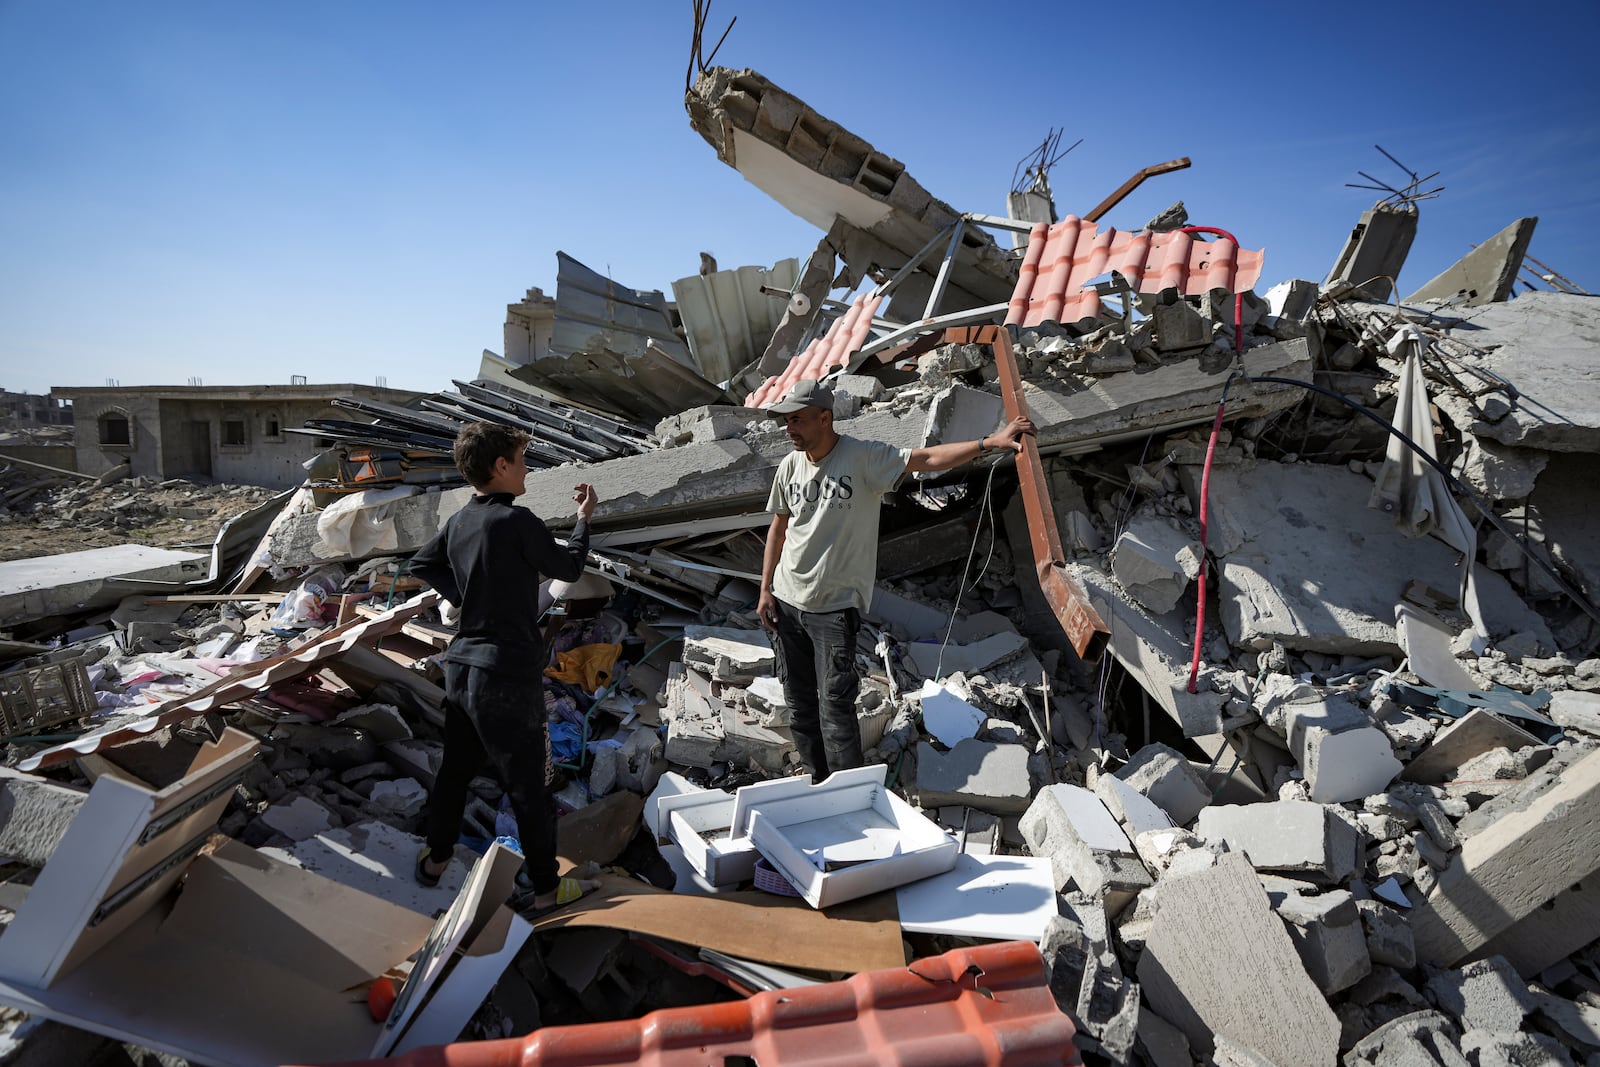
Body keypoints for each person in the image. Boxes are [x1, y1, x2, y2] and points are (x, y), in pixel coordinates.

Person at [756, 378, 1034, 781]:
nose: (790, 430)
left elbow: (928, 459)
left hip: (833, 610)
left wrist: (988, 443)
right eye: (786, 422)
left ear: (824, 418)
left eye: (797, 420)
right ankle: (815, 782)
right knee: (799, 705)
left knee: (835, 708)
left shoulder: (863, 458)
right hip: (786, 601)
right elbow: (777, 529)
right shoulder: (789, 466)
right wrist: (765, 589)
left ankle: (845, 793)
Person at [408, 421, 600, 916]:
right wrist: (585, 519)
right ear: (501, 467)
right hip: (506, 675)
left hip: (463, 669)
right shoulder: (517, 521)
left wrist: (466, 598)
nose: (526, 468)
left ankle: (434, 862)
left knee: (455, 773)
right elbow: (570, 568)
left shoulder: (460, 522)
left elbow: (422, 565)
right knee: (529, 787)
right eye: (520, 459)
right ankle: (545, 890)